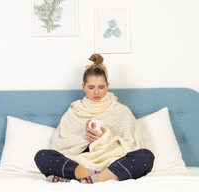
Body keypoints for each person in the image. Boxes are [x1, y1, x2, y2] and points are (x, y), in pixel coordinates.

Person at [34, 53, 154, 184]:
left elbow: (134, 146)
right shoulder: (74, 112)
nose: (96, 92)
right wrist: (84, 137)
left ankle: (82, 180)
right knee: (42, 156)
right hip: (79, 164)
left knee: (146, 156)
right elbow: (58, 146)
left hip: (112, 163)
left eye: (101, 87)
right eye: (91, 87)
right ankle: (97, 177)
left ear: (107, 86)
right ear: (83, 87)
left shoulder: (122, 111)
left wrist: (105, 137)